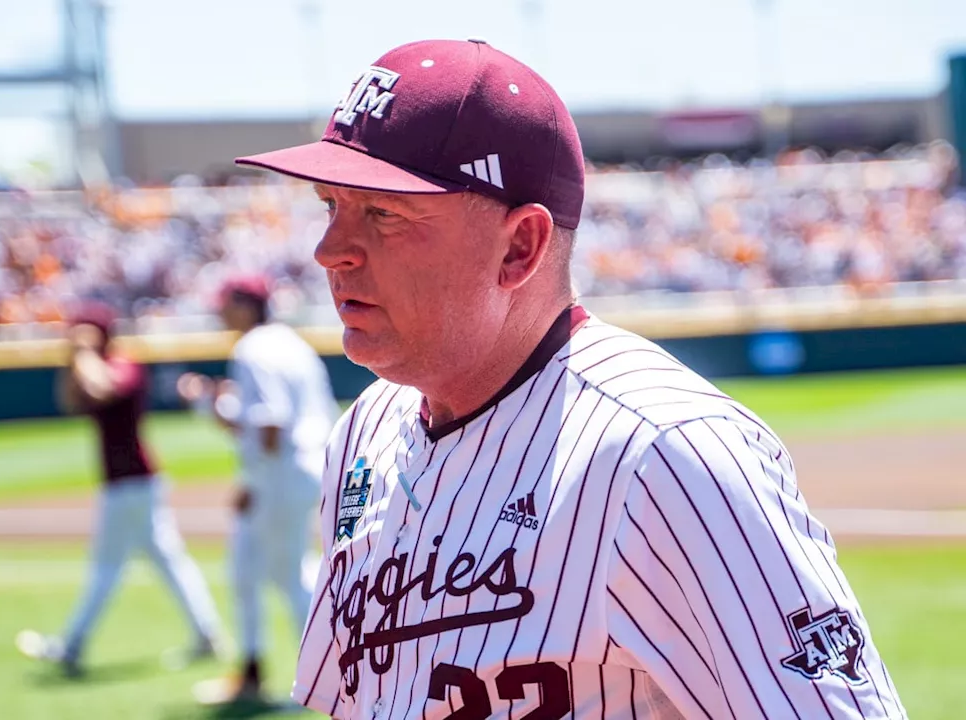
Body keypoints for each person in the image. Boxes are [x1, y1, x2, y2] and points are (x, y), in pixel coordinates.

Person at [234, 38, 907, 718]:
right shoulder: (364, 434)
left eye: (383, 212)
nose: (329, 251)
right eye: (331, 206)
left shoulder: (667, 453)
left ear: (519, 247)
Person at [16, 301, 223, 677]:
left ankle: (72, 644)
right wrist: (74, 357)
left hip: (135, 482)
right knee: (168, 562)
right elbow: (70, 401)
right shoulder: (89, 363)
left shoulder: (123, 362)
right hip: (125, 483)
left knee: (109, 568)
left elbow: (103, 387)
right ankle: (208, 634)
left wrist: (82, 352)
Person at [178, 276, 339, 704]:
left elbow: (270, 424)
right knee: (247, 570)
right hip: (303, 467)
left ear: (248, 305)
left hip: (281, 472)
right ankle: (251, 672)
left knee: (292, 577)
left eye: (227, 303)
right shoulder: (289, 341)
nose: (220, 312)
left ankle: (334, 677)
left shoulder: (253, 348)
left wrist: (252, 481)